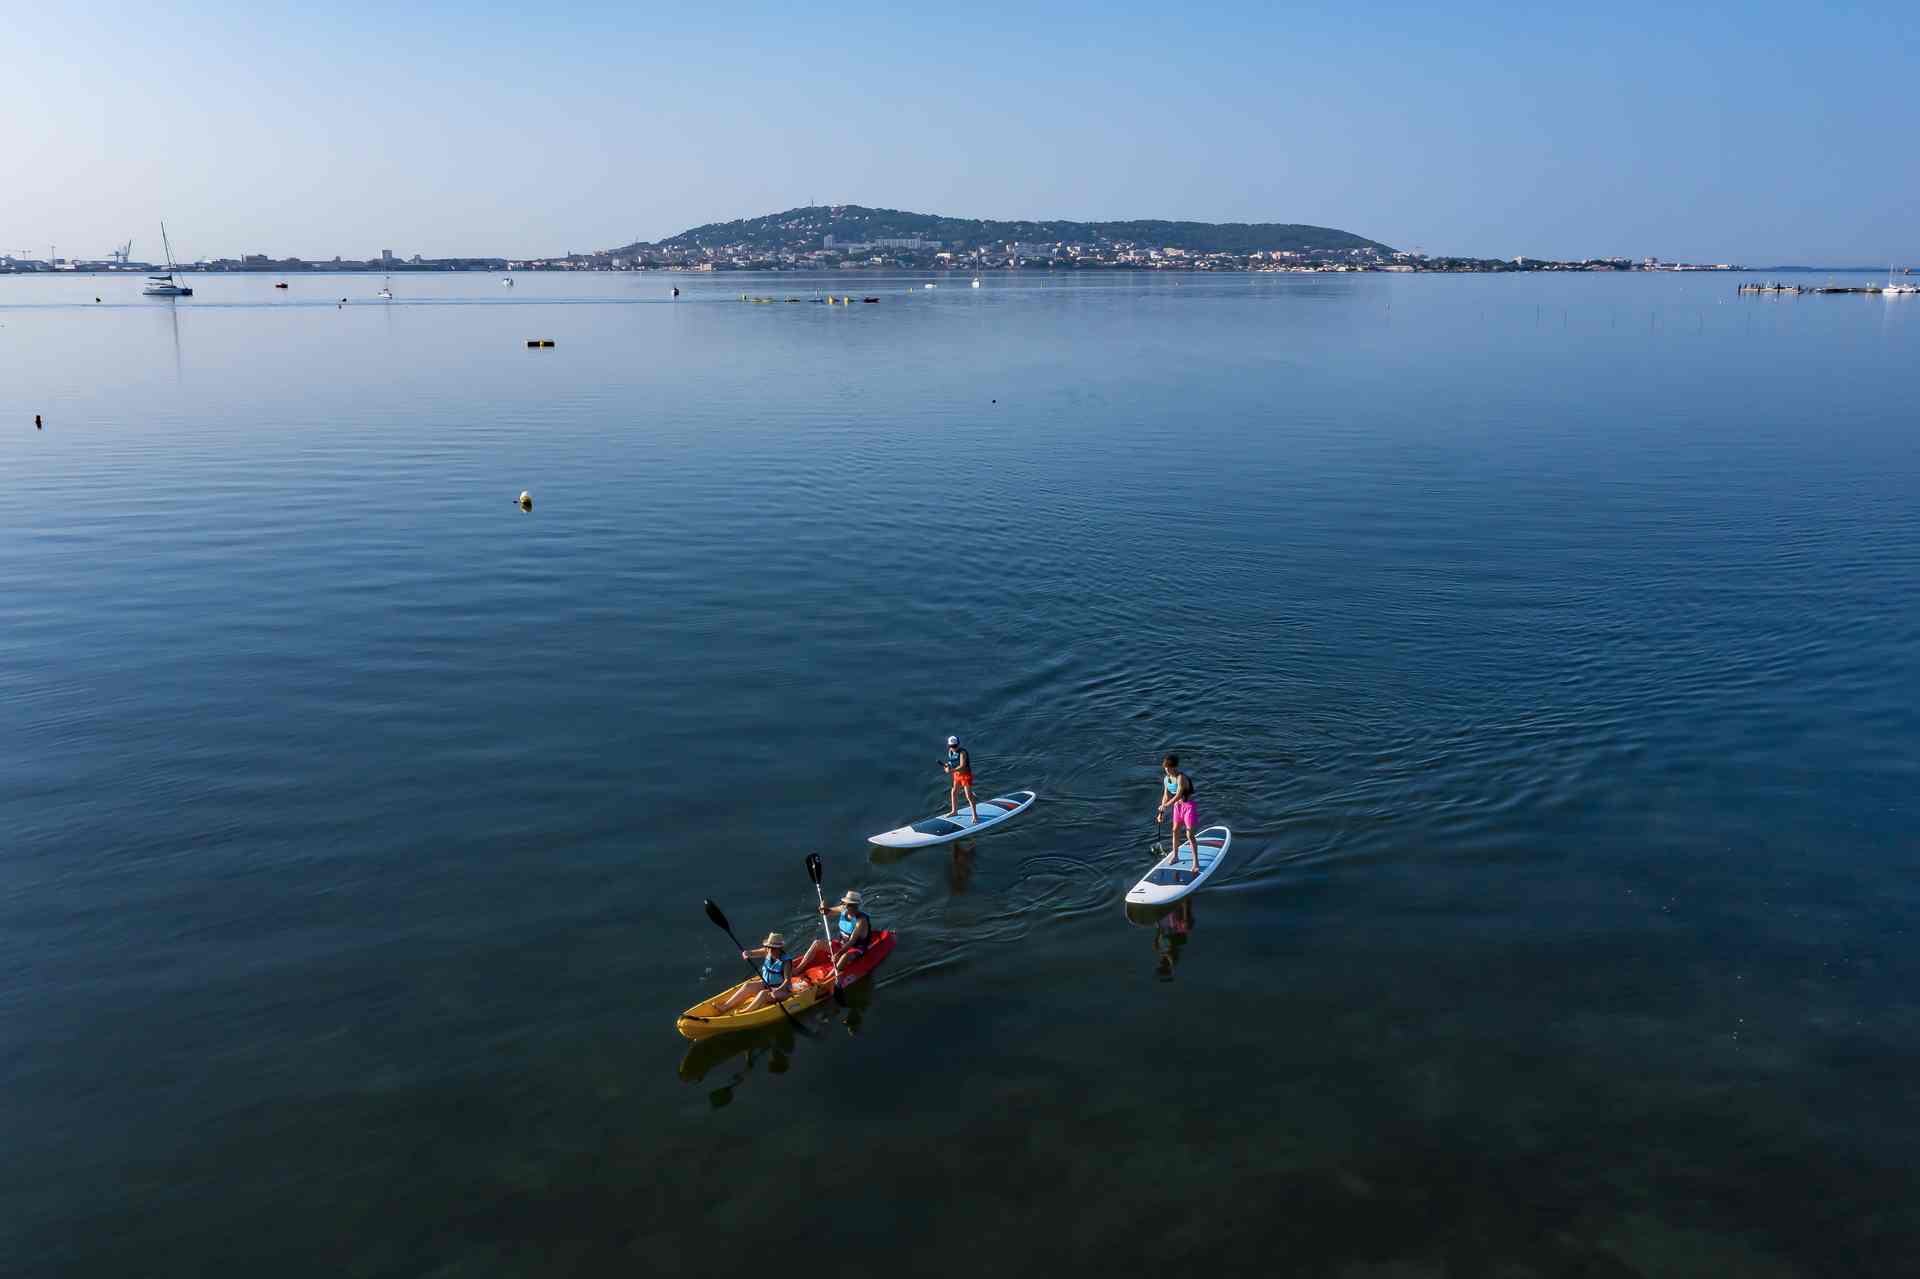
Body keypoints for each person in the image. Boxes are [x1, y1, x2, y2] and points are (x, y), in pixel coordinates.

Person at [797, 890, 875, 974]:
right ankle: (798, 969)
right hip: (841, 944)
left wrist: (838, 954)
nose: (845, 906)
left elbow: (852, 941)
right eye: (844, 903)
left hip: (856, 948)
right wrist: (823, 909)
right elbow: (827, 912)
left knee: (844, 956)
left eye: (849, 904)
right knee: (817, 943)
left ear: (856, 906)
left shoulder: (861, 921)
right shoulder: (843, 909)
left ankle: (829, 979)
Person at [715, 932, 794, 1013]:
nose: (770, 950)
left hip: (783, 991)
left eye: (773, 948)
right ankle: (725, 1006)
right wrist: (747, 953)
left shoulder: (786, 962)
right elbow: (752, 953)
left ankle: (746, 1011)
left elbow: (787, 980)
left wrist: (777, 990)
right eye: (768, 947)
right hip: (767, 985)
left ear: (779, 948)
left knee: (763, 993)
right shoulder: (767, 951)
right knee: (748, 985)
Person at [1156, 753, 1200, 872]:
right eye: (1165, 769)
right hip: (1177, 807)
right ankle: (1175, 856)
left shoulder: (1181, 777)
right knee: (1175, 830)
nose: (1167, 771)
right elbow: (1166, 796)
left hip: (1188, 807)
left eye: (1168, 769)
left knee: (1189, 835)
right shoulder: (1166, 779)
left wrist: (1166, 805)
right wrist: (1161, 813)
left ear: (1174, 767)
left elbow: (1179, 794)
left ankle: (1196, 862)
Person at [944, 734, 978, 822]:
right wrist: (947, 766)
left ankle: (975, 816)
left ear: (958, 744)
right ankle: (954, 811)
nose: (953, 748)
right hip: (957, 775)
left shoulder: (962, 752)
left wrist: (951, 770)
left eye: (955, 746)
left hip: (965, 776)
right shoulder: (950, 751)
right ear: (949, 746)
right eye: (952, 746)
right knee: (954, 792)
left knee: (968, 796)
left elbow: (962, 766)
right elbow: (950, 763)